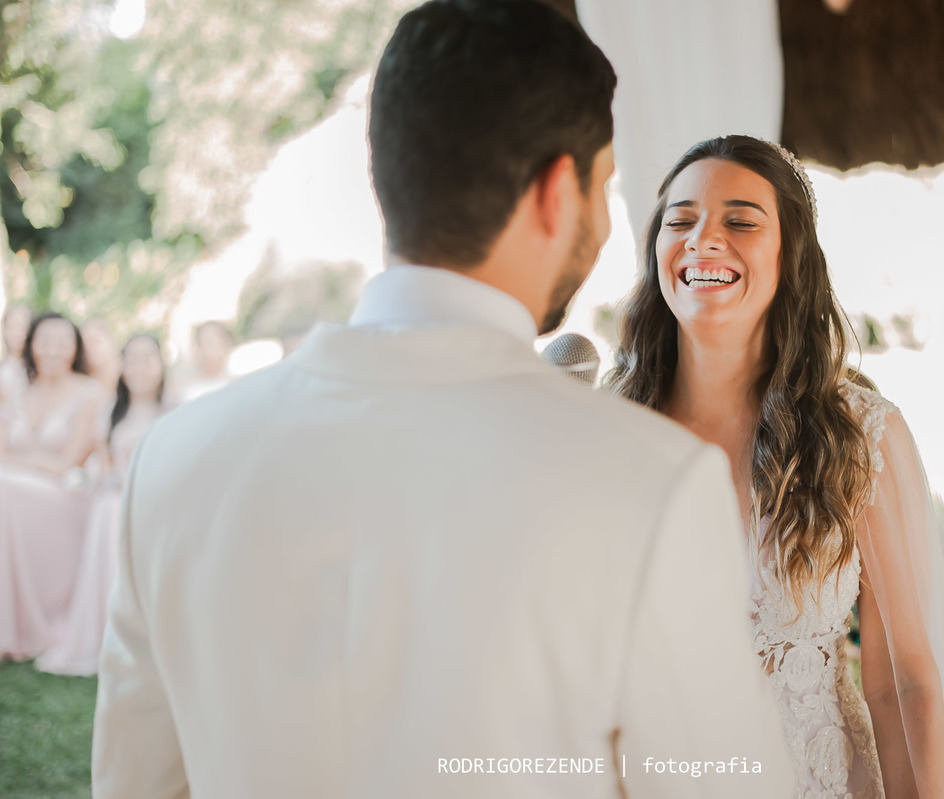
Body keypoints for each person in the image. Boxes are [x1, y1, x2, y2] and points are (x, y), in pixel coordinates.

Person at [92, 4, 793, 799]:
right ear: (557, 193)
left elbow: (134, 784)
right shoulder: (656, 482)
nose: (605, 222)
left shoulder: (175, 461)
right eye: (607, 187)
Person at [608, 135, 944, 798]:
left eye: (741, 221)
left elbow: (902, 683)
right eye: (681, 220)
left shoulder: (860, 434)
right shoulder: (605, 427)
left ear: (791, 255)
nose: (704, 240)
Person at [38, 334, 167, 676]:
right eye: (131, 359)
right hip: (118, 498)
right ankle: (113, 635)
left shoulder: (174, 408)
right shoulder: (112, 410)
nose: (139, 367)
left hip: (161, 501)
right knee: (110, 510)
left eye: (147, 358)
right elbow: (106, 466)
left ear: (161, 362)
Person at [0, 312, 104, 660]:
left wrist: (19, 462)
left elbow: (68, 463)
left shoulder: (90, 393)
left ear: (76, 348)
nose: (54, 350)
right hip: (15, 489)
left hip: (65, 496)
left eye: (64, 341)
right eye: (45, 340)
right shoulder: (16, 389)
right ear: (30, 345)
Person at [177, 320, 234, 402]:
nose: (211, 349)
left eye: (215, 341)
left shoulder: (236, 384)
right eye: (206, 342)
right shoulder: (190, 392)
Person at [0, 302, 32, 408]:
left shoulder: (37, 368)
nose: (17, 332)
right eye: (11, 327)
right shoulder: (3, 369)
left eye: (22, 327)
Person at [81, 316, 121, 395]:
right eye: (84, 345)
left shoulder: (128, 377)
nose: (89, 348)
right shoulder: (81, 384)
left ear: (110, 341)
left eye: (95, 341)